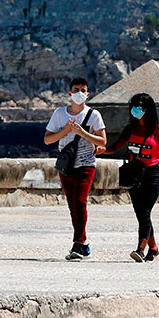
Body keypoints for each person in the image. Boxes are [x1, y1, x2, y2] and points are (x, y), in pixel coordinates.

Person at [103, 93, 159, 262]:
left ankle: (140, 250)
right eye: (134, 106)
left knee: (144, 212)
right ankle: (154, 248)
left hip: (151, 175)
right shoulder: (130, 129)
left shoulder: (158, 131)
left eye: (140, 106)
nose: (136, 110)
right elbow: (115, 147)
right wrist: (101, 149)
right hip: (134, 175)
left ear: (148, 109)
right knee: (142, 214)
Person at [43, 77, 106, 260]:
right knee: (72, 204)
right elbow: (48, 139)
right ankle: (84, 243)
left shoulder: (94, 115)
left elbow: (102, 140)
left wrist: (82, 133)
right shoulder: (59, 114)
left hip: (86, 163)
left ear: (88, 94)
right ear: (69, 93)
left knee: (80, 201)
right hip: (66, 165)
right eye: (76, 89)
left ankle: (77, 244)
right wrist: (66, 131)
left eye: (83, 90)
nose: (79, 93)